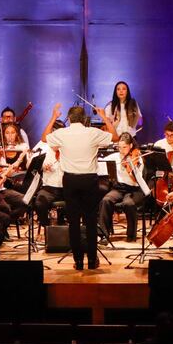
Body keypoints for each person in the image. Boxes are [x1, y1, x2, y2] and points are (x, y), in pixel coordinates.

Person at [42, 103, 119, 270]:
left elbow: (44, 137)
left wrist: (54, 117)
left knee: (74, 221)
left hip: (70, 181)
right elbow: (115, 137)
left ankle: (78, 261)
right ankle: (92, 260)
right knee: (91, 220)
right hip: (89, 180)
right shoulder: (92, 132)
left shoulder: (62, 133)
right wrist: (104, 116)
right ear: (85, 119)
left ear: (69, 119)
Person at [99, 133, 146, 243]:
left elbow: (136, 180)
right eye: (119, 147)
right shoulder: (115, 157)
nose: (122, 150)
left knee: (128, 203)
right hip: (119, 188)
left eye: (124, 147)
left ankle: (131, 235)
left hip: (134, 189)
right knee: (106, 200)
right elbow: (100, 163)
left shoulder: (137, 158)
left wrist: (130, 169)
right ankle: (103, 235)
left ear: (130, 146)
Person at [32, 119, 65, 228]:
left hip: (66, 187)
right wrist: (42, 166)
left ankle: (65, 227)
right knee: (39, 203)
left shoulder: (68, 148)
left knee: (77, 201)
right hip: (49, 188)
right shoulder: (44, 146)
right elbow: (30, 163)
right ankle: (47, 228)